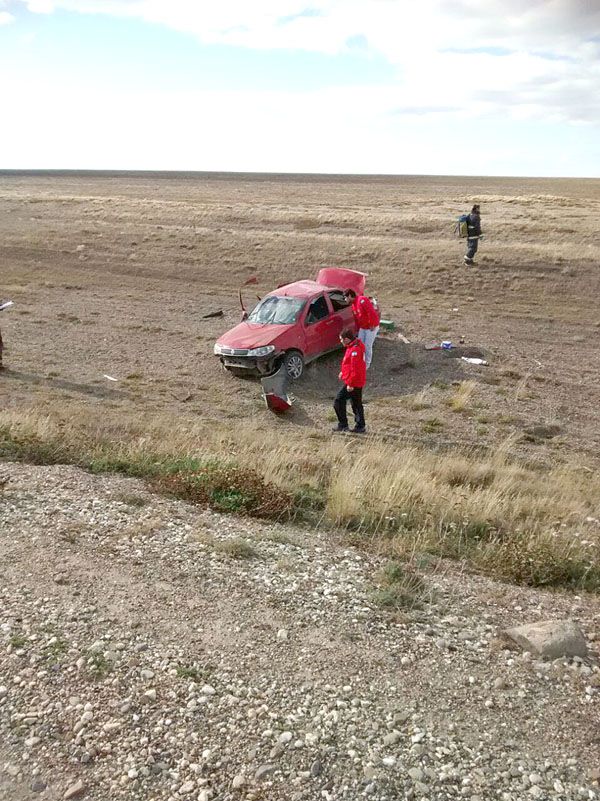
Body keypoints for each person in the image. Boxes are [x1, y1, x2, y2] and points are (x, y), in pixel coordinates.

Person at [333, 329, 367, 434]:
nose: (341, 342)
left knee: (338, 401)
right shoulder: (352, 347)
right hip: (356, 380)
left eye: (341, 340)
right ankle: (360, 426)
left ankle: (343, 424)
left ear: (347, 339)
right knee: (356, 403)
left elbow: (355, 369)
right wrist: (343, 372)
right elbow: (349, 364)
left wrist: (350, 384)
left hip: (354, 382)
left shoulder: (355, 350)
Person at [343, 288, 379, 369]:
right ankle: (360, 360)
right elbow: (356, 318)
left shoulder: (362, 300)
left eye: (345, 298)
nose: (345, 300)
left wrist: (372, 324)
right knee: (359, 344)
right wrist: (357, 329)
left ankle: (367, 364)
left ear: (349, 296)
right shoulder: (353, 305)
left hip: (371, 327)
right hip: (363, 327)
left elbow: (370, 312)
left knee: (367, 346)